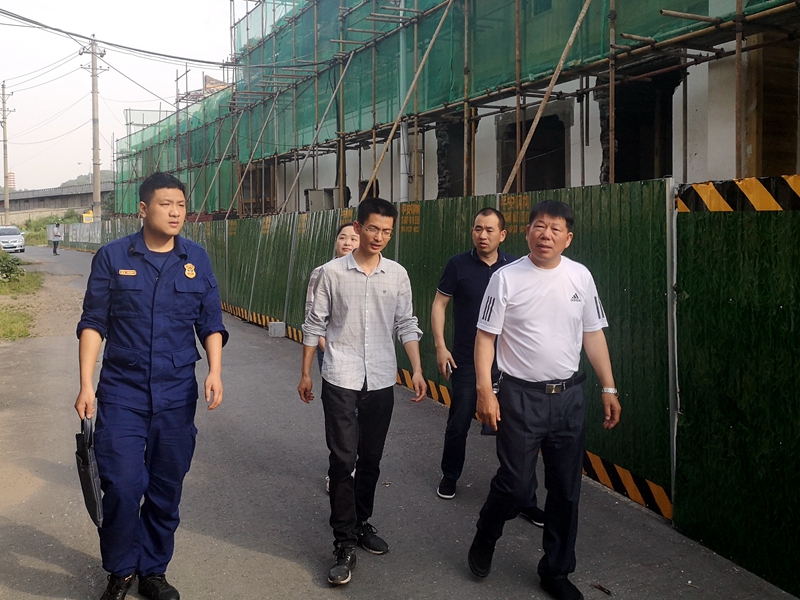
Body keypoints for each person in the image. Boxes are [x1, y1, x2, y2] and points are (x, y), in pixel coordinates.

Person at [75, 172, 228, 600]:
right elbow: (93, 322)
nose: (175, 212)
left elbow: (211, 321)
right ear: (144, 209)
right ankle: (121, 570)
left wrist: (215, 371)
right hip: (122, 391)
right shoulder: (113, 256)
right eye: (165, 204)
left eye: (181, 205)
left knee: (165, 487)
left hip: (176, 394)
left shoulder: (196, 258)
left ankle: (153, 571)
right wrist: (85, 384)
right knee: (123, 486)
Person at [467, 200, 621, 600]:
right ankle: (487, 533)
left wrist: (608, 387)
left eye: (555, 229)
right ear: (527, 232)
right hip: (519, 398)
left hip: (569, 398)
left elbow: (593, 334)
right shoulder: (505, 278)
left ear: (568, 239)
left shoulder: (580, 277)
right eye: (539, 226)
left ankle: (555, 571)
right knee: (516, 486)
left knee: (566, 490)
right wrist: (485, 391)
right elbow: (485, 338)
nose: (545, 235)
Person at [298, 197, 427, 587]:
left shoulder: (397, 274)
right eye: (372, 229)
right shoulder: (331, 273)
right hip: (340, 376)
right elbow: (314, 323)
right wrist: (305, 373)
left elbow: (406, 323)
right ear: (358, 227)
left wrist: (417, 369)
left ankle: (361, 522)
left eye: (386, 231)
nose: (379, 237)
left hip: (382, 379)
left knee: (370, 459)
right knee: (343, 460)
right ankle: (343, 543)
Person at [305, 222, 360, 372]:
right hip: (330, 348)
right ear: (336, 241)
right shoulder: (321, 272)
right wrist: (326, 348)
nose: (347, 243)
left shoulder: (366, 275)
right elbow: (311, 314)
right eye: (342, 238)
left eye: (354, 239)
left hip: (359, 351)